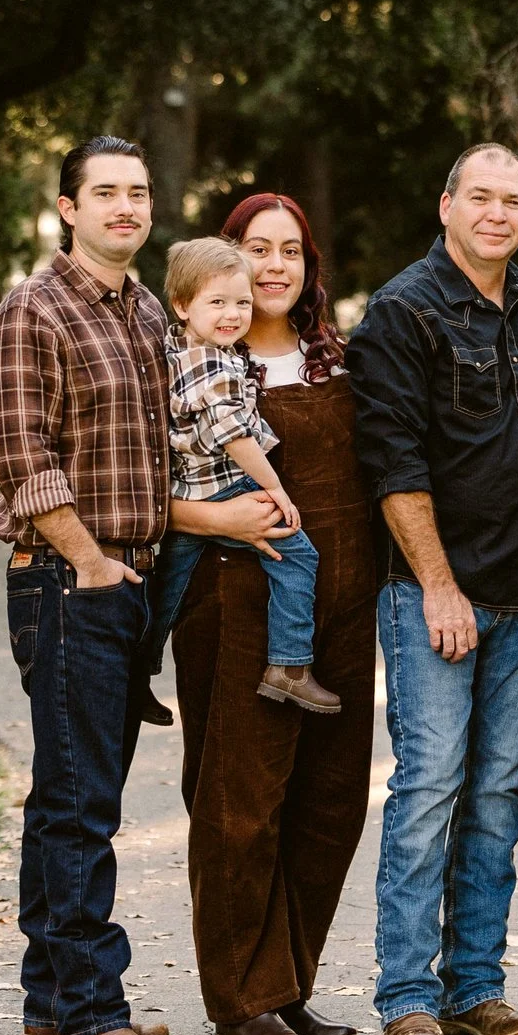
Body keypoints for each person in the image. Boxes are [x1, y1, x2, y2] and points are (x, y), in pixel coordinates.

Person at [348, 144, 518, 1035]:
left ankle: (476, 986)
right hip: (437, 592)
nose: (497, 213)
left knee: (496, 794)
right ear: (446, 205)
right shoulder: (402, 311)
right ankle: (405, 996)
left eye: (512, 200)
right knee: (430, 785)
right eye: (481, 196)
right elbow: (393, 463)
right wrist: (439, 583)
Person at [0, 136, 184, 1035]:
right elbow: (24, 458)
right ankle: (89, 1014)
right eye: (105, 192)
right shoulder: (34, 309)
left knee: (71, 789)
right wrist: (91, 561)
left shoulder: (147, 310)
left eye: (138, 193)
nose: (125, 207)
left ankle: (49, 999)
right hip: (68, 580)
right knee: (80, 804)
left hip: (127, 580)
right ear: (67, 208)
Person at [167, 194, 379, 1035]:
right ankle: (240, 997)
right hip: (235, 606)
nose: (276, 267)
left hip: (340, 612)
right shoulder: (197, 368)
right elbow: (146, 494)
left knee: (327, 804)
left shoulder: (340, 365)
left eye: (292, 250)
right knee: (239, 807)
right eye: (258, 249)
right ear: (228, 263)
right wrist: (219, 523)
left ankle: (291, 985)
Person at [149, 237, 337, 716]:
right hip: (225, 482)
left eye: (242, 303)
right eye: (217, 303)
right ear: (182, 304)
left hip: (189, 485)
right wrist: (274, 488)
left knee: (170, 580)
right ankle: (290, 666)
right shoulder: (215, 363)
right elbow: (235, 437)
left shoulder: (180, 346)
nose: (232, 314)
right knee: (298, 556)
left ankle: (136, 667)